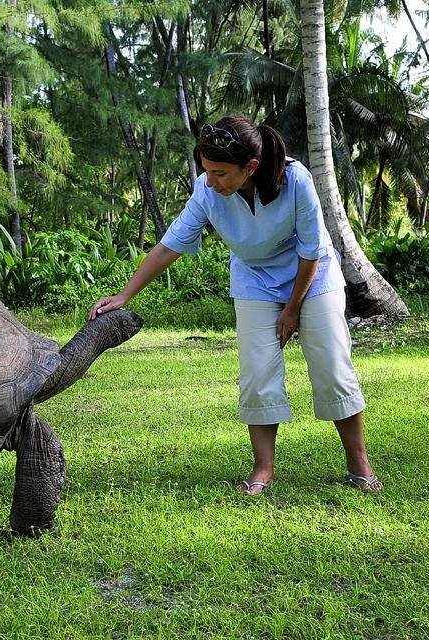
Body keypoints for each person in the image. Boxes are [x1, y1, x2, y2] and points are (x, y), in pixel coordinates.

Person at [89, 115, 382, 495]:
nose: (210, 181)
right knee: (258, 373)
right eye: (206, 171)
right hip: (255, 279)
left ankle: (358, 463)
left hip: (313, 274)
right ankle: (263, 470)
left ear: (251, 168)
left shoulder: (297, 180)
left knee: (331, 363)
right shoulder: (207, 189)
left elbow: (311, 252)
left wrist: (292, 311)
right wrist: (125, 294)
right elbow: (169, 246)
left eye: (220, 173)